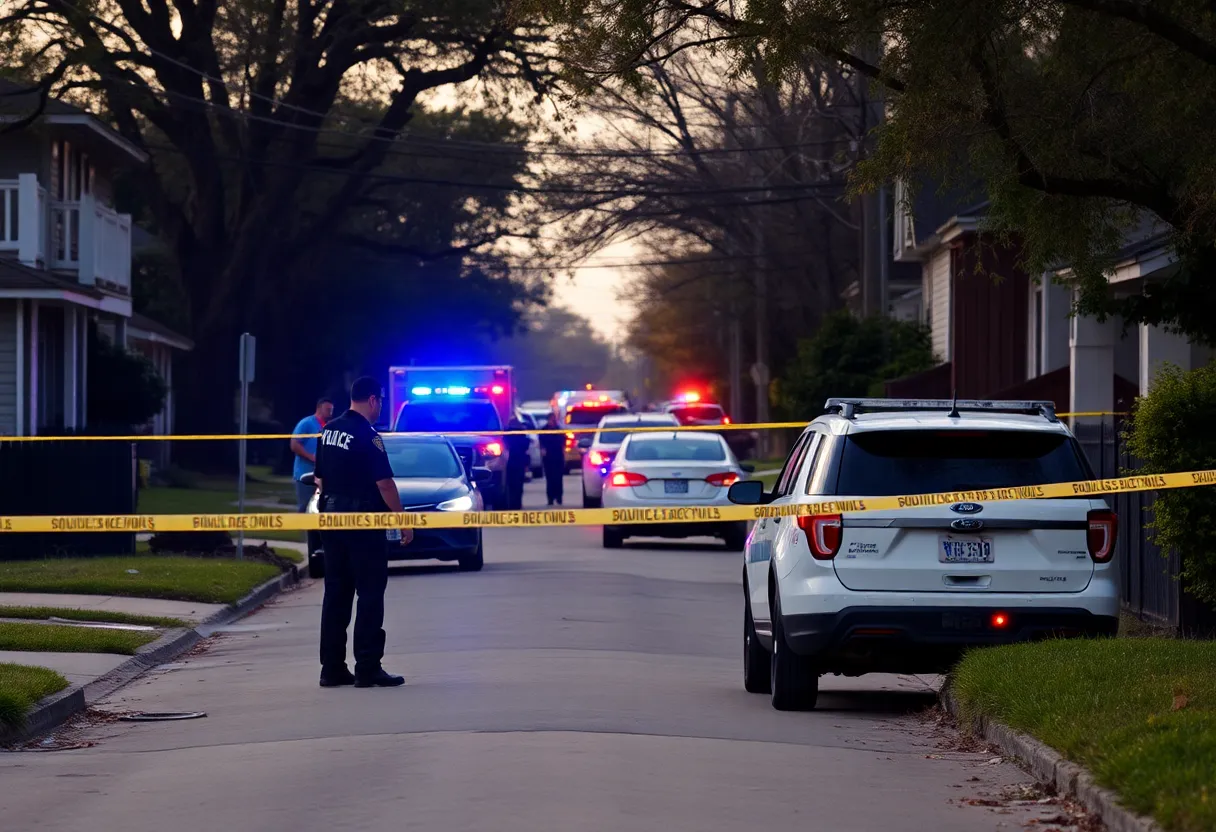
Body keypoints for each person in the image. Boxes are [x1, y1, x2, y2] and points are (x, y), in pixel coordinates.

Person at [314, 377, 412, 689]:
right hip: (363, 521)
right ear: (372, 400)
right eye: (380, 401)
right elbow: (384, 483)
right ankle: (368, 666)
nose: (380, 406)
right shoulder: (368, 435)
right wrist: (403, 520)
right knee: (369, 592)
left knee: (336, 593)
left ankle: (331, 668)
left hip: (330, 519)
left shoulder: (328, 430)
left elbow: (319, 478)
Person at [290, 397, 334, 512]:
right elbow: (294, 444)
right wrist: (313, 458)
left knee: (320, 507)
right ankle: (305, 530)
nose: (330, 413)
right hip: (304, 473)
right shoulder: (307, 423)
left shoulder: (328, 426)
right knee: (305, 506)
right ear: (319, 408)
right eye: (327, 409)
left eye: (331, 410)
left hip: (322, 476)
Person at [538, 412, 566, 506]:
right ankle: (550, 499)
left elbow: (563, 443)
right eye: (551, 419)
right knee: (549, 479)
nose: (552, 421)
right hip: (548, 458)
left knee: (558, 479)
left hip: (558, 457)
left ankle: (559, 497)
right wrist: (543, 450)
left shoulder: (559, 430)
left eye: (553, 419)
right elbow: (541, 443)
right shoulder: (543, 430)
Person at [504, 415, 530, 510]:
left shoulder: (506, 435)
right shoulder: (522, 436)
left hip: (510, 463)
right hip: (520, 463)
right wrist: (527, 464)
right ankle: (517, 504)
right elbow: (526, 449)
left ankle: (511, 505)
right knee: (518, 486)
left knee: (510, 485)